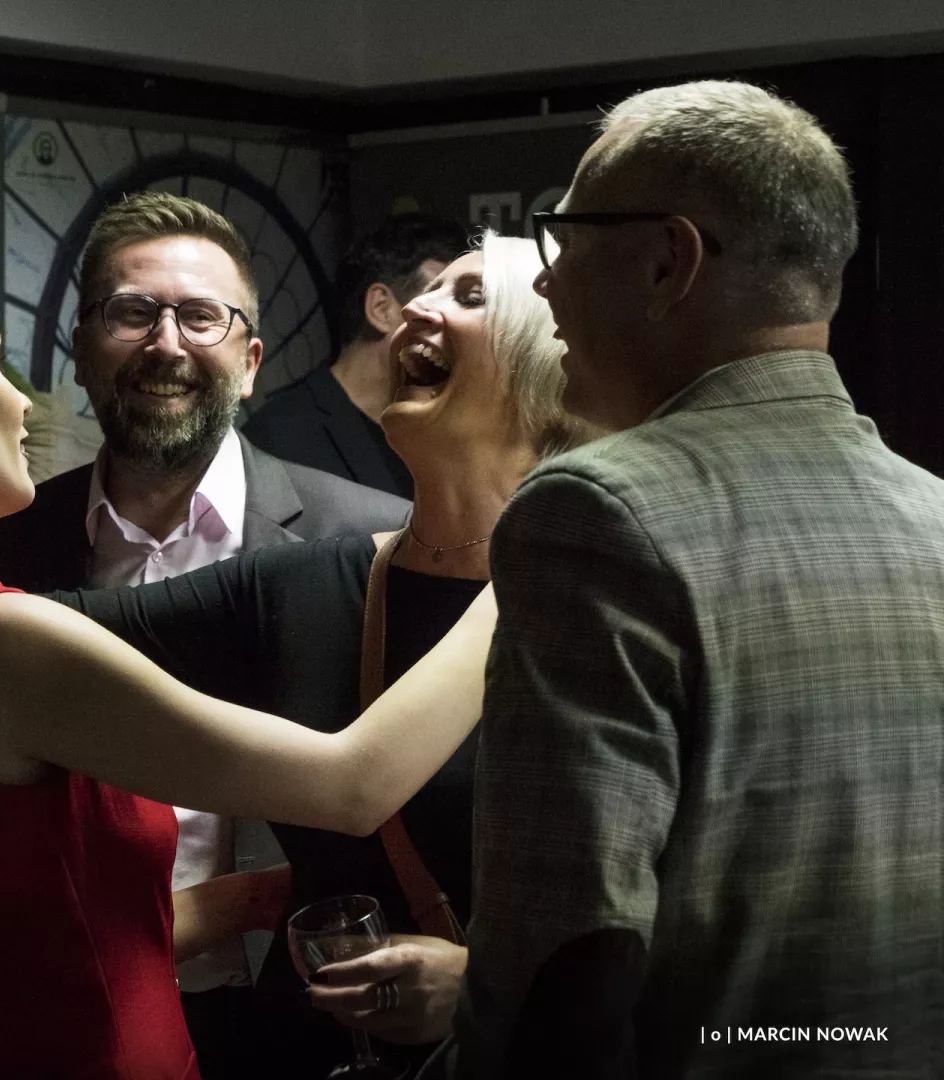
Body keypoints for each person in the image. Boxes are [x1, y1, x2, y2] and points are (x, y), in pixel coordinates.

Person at [0, 266, 496, 1080]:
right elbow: (354, 784)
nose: (22, 402)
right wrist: (522, 568)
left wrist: (247, 899)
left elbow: (20, 937)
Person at [455, 80, 944, 1078]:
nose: (543, 285)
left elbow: (565, 957)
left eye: (564, 239)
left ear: (666, 261)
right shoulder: (934, 512)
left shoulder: (596, 511)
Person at [54, 231, 592, 1077]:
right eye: (425, 290)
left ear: (552, 368)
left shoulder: (603, 603)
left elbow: (714, 913)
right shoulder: (310, 582)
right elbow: (29, 632)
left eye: (470, 295)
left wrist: (490, 989)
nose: (414, 309)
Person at [0, 191, 410, 1076]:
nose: (166, 344)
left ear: (249, 363)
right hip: (68, 1009)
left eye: (200, 317)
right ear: (81, 351)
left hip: (299, 1019)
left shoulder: (367, 538)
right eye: (133, 312)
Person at [243, 213, 471, 499]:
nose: (458, 327)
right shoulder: (278, 437)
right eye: (439, 306)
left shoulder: (443, 436)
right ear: (381, 309)